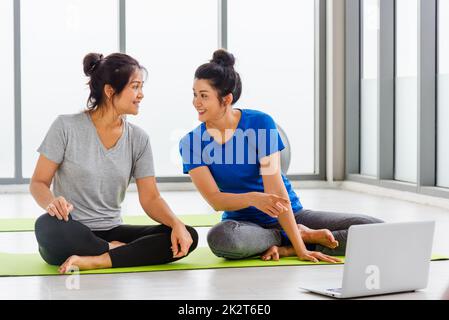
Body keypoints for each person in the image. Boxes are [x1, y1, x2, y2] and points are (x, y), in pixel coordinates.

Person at [180, 49, 383, 263]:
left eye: (204, 96)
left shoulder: (259, 124)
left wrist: (300, 250)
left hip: (289, 214)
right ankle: (294, 236)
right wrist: (252, 198)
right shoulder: (191, 143)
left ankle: (289, 245)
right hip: (244, 225)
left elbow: (276, 189)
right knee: (221, 239)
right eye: (194, 94)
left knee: (375, 229)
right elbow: (215, 200)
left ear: (226, 99)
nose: (196, 102)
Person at [31, 52, 198, 274]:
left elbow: (151, 198)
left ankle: (96, 259)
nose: (141, 95)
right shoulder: (65, 126)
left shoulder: (139, 138)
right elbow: (38, 183)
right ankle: (114, 252)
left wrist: (176, 224)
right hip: (71, 229)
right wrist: (51, 202)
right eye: (135, 87)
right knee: (45, 226)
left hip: (113, 229)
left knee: (187, 236)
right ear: (110, 91)